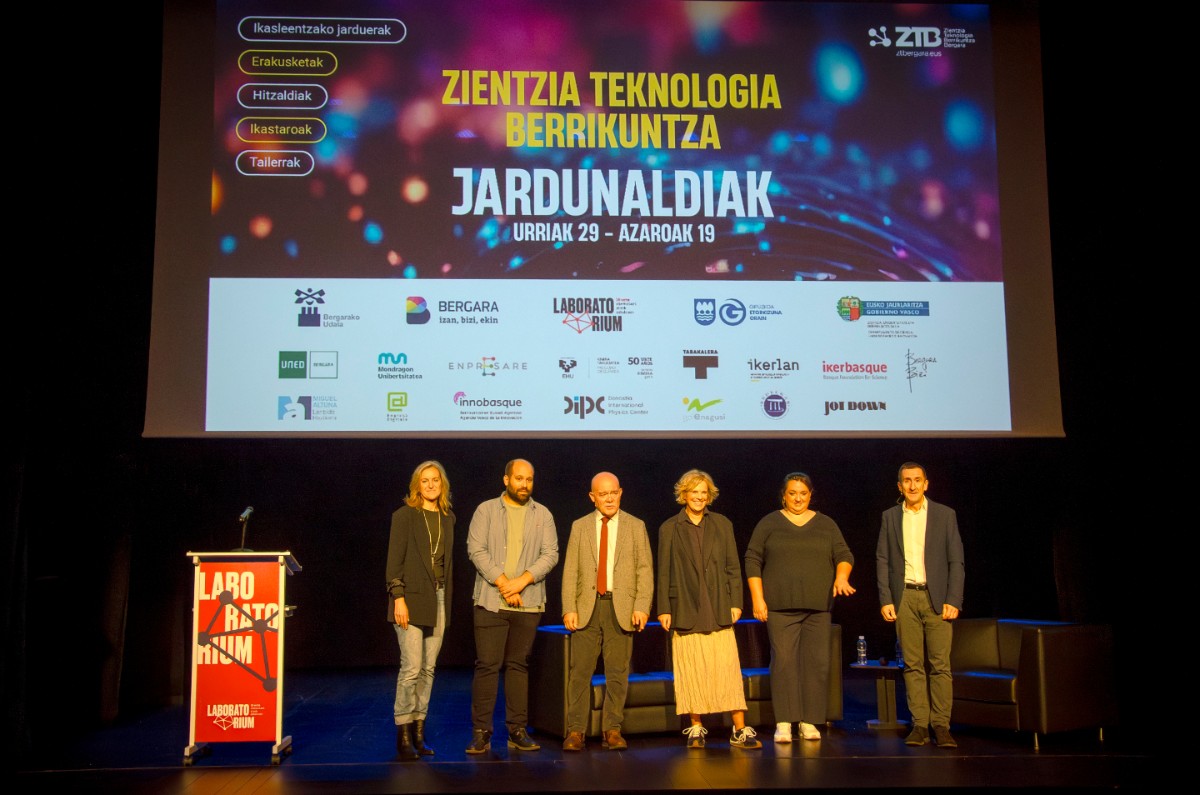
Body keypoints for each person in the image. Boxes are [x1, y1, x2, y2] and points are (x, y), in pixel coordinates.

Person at [745, 472, 855, 744]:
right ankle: (784, 721)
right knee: (783, 663)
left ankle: (809, 720)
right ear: (784, 494)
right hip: (780, 608)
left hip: (818, 607)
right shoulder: (769, 522)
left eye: (803, 493)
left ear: (810, 495)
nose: (797, 498)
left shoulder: (826, 524)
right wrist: (758, 599)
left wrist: (842, 576)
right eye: (792, 493)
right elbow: (752, 559)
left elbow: (844, 554)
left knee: (816, 664)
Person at [656, 469, 761, 750]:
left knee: (726, 668)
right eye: (694, 492)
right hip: (685, 607)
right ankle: (697, 728)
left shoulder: (722, 524)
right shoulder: (669, 528)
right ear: (684, 494)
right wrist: (663, 608)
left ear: (709, 495)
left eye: (704, 492)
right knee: (691, 669)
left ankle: (739, 729)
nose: (699, 497)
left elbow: (732, 566)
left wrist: (736, 601)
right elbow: (663, 571)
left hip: (717, 605)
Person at [465, 459, 559, 754]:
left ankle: (517, 730)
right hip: (491, 601)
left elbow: (550, 554)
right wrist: (505, 583)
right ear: (506, 480)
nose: (524, 484)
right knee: (488, 666)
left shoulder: (543, 514)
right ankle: (482, 732)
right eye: (519, 478)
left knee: (519, 666)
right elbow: (475, 549)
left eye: (529, 479)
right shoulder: (486, 510)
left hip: (528, 602)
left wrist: (520, 583)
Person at [560, 472, 654, 752]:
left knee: (617, 672)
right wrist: (568, 607)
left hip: (621, 607)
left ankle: (612, 729)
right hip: (588, 607)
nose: (609, 498)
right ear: (593, 497)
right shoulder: (580, 526)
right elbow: (570, 570)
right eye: (603, 494)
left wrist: (641, 606)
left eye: (613, 493)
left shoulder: (636, 526)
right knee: (580, 672)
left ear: (620, 493)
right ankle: (575, 730)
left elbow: (645, 570)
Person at [876, 462, 965, 749]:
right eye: (906, 481)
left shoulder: (944, 515)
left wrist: (954, 599)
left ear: (926, 484)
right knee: (912, 665)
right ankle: (920, 726)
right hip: (905, 598)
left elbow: (956, 561)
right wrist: (886, 599)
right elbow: (883, 560)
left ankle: (941, 725)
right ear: (899, 486)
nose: (912, 486)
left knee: (940, 665)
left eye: (917, 480)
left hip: (936, 598)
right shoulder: (890, 517)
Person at [386, 460, 454, 760]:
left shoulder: (447, 518)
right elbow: (394, 562)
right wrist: (398, 597)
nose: (430, 485)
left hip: (438, 598)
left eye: (435, 480)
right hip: (410, 600)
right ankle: (403, 734)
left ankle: (419, 732)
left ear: (442, 485)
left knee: (428, 668)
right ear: (417, 485)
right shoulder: (404, 516)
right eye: (424, 480)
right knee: (411, 668)